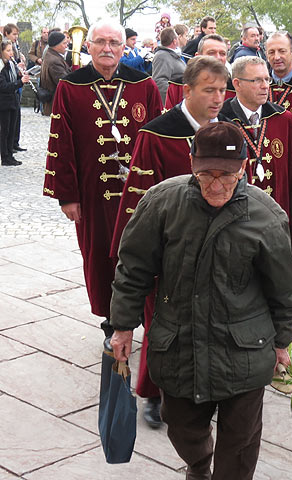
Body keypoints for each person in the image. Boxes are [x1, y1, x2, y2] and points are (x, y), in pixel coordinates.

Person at [109, 121, 292, 480]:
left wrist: (281, 341)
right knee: (179, 424)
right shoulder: (162, 202)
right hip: (178, 342)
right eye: (206, 175)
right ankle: (199, 467)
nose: (216, 185)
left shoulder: (265, 215)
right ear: (191, 165)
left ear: (243, 168)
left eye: (226, 176)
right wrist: (122, 327)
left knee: (241, 441)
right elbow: (133, 267)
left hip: (244, 347)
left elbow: (286, 288)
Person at [111, 56, 229, 429]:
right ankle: (153, 392)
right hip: (169, 253)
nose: (217, 98)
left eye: (223, 90)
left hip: (217, 250)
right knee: (162, 327)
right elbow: (140, 201)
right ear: (186, 89)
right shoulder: (157, 133)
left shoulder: (226, 131)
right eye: (209, 90)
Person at [42, 19, 163, 338]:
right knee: (99, 256)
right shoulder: (70, 87)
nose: (107, 48)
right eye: (101, 42)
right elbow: (60, 142)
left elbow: (159, 139)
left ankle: (145, 313)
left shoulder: (145, 85)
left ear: (124, 48)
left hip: (141, 193)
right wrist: (67, 195)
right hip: (92, 192)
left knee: (145, 252)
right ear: (89, 46)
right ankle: (113, 319)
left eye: (114, 43)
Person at [220, 56, 292, 237]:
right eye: (257, 80)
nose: (265, 86)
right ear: (237, 84)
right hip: (235, 224)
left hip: (277, 217)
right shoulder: (221, 120)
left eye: (267, 79)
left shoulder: (283, 119)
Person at [164, 34, 234, 109]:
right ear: (198, 56)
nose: (217, 57)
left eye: (222, 54)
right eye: (211, 53)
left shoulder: (234, 90)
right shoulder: (177, 87)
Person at [0, 40, 30, 166]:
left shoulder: (11, 64)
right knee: (5, 130)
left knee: (12, 129)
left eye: (11, 50)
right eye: (7, 50)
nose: (11, 53)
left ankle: (10, 154)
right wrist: (20, 82)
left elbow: (15, 80)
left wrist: (20, 75)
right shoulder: (1, 67)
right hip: (4, 103)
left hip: (13, 101)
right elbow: (4, 86)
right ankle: (5, 157)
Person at [266, 31, 292, 114]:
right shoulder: (259, 84)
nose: (276, 57)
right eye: (271, 52)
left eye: (282, 51)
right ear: (266, 56)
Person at [3, 24, 26, 153]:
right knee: (8, 123)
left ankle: (14, 143)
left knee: (16, 117)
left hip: (15, 88)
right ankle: (8, 148)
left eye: (17, 34)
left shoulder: (15, 46)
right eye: (14, 34)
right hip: (9, 92)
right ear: (6, 34)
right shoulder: (5, 48)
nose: (16, 37)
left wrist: (20, 65)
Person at [39, 31, 71, 116]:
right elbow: (65, 82)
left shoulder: (52, 55)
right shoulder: (54, 60)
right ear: (57, 45)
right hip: (57, 104)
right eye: (64, 43)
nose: (66, 46)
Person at [153, 27, 186, 104]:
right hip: (173, 103)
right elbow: (160, 82)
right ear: (174, 41)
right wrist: (169, 104)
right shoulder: (162, 56)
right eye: (177, 38)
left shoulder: (172, 55)